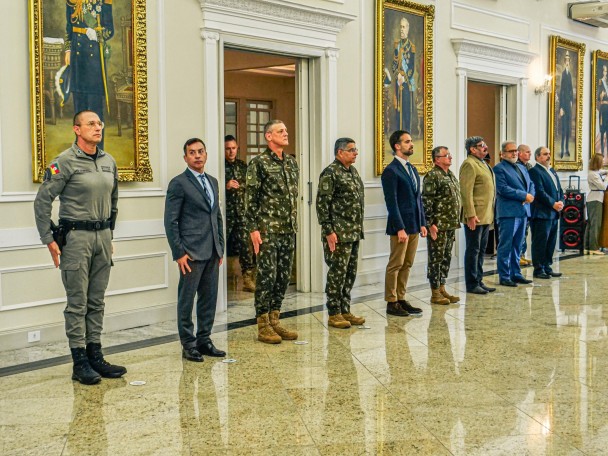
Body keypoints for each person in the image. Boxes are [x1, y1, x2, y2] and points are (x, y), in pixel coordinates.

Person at [33, 110, 125, 385]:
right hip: (76, 240)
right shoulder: (64, 162)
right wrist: (48, 239)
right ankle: (79, 361)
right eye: (91, 124)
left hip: (103, 238)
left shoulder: (109, 161)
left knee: (96, 301)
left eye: (100, 123)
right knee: (78, 303)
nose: (98, 128)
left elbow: (114, 202)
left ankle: (95, 354)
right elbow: (42, 201)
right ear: (76, 129)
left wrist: (110, 235)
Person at [164, 138, 225, 362]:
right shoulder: (178, 183)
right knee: (186, 299)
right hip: (190, 253)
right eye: (192, 153)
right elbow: (170, 221)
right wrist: (179, 252)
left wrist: (220, 246)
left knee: (208, 298)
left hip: (212, 251)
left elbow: (216, 216)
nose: (197, 156)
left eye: (200, 151)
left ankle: (204, 340)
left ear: (206, 154)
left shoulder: (213, 181)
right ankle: (188, 344)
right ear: (185, 158)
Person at [245, 120, 299, 344]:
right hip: (268, 230)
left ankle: (275, 319)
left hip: (288, 229)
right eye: (280, 131)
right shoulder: (258, 163)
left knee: (283, 277)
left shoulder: (292, 163)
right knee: (266, 278)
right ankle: (263, 324)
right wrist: (253, 229)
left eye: (286, 130)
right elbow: (250, 199)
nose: (286, 134)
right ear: (268, 136)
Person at [316, 137, 366, 328]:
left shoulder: (352, 171)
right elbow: (322, 204)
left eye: (356, 149)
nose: (356, 153)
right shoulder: (330, 173)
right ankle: (334, 312)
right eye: (352, 150)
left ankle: (345, 310)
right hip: (338, 233)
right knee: (337, 273)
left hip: (353, 232)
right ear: (340, 152)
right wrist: (328, 230)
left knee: (349, 273)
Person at [381, 130, 426, 316]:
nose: (411, 144)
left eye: (411, 141)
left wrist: (422, 222)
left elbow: (418, 199)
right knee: (396, 264)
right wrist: (400, 227)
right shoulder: (391, 171)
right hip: (400, 227)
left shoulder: (412, 169)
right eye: (407, 142)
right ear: (397, 146)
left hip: (414, 224)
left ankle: (401, 298)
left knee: (407, 263)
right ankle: (391, 302)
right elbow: (391, 202)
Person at [65, 0, 114, 149]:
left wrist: (97, 34)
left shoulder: (103, 1)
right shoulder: (73, 1)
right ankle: (80, 150)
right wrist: (68, 50)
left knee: (94, 110)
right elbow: (69, 28)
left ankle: (97, 150)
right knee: (79, 109)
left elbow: (110, 30)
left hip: (94, 63)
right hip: (78, 60)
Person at [422, 146, 461, 305]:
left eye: (450, 155)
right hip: (438, 226)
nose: (450, 158)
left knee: (446, 258)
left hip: (450, 224)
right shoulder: (432, 176)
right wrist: (430, 224)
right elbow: (427, 201)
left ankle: (442, 288)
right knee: (436, 259)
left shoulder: (450, 174)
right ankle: (435, 292)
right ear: (437, 159)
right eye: (446, 156)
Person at [493, 141, 535, 287]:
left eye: (516, 151)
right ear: (503, 154)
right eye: (511, 151)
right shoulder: (499, 168)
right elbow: (503, 189)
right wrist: (523, 196)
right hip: (508, 212)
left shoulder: (521, 167)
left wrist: (530, 196)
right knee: (506, 245)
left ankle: (516, 274)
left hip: (523, 211)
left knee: (518, 244)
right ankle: (504, 276)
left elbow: (531, 185)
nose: (514, 153)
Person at [459, 136, 496, 295]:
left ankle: (479, 279)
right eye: (481, 146)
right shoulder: (469, 164)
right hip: (476, 215)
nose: (485, 147)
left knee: (481, 250)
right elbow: (466, 192)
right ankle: (472, 283)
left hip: (486, 214)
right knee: (473, 250)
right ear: (472, 149)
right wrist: (470, 215)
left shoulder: (482, 163)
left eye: (485, 144)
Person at [224, 135, 256, 292]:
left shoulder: (243, 166)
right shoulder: (219, 167)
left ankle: (247, 279)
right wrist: (226, 185)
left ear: (237, 149)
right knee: (219, 246)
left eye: (233, 148)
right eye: (228, 148)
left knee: (246, 247)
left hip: (241, 214)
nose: (231, 151)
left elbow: (251, 187)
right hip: (225, 215)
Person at [529, 147, 564, 279]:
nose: (548, 156)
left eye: (549, 154)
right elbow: (539, 191)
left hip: (554, 213)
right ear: (537, 157)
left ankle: (547, 266)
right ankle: (538, 269)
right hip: (541, 213)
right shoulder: (534, 171)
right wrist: (553, 204)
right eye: (545, 154)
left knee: (551, 241)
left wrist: (561, 201)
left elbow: (559, 189)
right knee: (540, 242)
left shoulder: (552, 171)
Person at [392, 17, 416, 132]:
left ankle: (407, 134)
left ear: (407, 29)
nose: (401, 30)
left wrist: (404, 78)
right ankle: (398, 136)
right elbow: (394, 63)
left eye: (403, 27)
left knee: (406, 109)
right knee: (397, 109)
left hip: (406, 83)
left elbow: (411, 68)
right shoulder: (396, 44)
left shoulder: (411, 47)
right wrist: (397, 74)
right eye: (400, 27)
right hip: (398, 81)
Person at [585, 153, 608, 255]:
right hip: (595, 200)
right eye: (602, 161)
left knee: (590, 224)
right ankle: (594, 248)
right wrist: (607, 178)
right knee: (595, 224)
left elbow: (602, 172)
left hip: (594, 199)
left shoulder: (595, 172)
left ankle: (587, 246)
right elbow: (603, 186)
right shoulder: (592, 174)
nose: (603, 163)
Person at [517, 144, 534, 265]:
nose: (530, 154)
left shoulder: (529, 166)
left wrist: (531, 195)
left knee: (525, 231)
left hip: (529, 201)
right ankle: (517, 256)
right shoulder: (516, 166)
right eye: (527, 152)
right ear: (520, 153)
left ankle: (522, 254)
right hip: (520, 201)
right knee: (519, 232)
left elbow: (532, 183)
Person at [559, 51, 574, 159]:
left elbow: (571, 90)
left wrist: (571, 101)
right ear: (565, 62)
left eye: (569, 61)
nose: (567, 62)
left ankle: (567, 149)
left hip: (568, 105)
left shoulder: (570, 74)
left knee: (568, 129)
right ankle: (562, 149)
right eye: (566, 61)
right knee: (563, 129)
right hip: (564, 105)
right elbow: (561, 91)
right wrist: (561, 107)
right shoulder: (564, 74)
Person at [597, 65, 608, 156]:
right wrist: (601, 95)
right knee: (602, 131)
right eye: (604, 71)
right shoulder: (600, 82)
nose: (605, 73)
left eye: (606, 71)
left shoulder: (607, 83)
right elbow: (598, 98)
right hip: (603, 108)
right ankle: (602, 152)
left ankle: (606, 151)